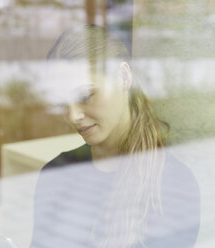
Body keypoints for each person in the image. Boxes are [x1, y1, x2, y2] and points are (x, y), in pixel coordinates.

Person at [30, 25, 200, 248]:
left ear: (123, 77)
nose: (72, 115)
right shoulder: (56, 172)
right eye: (62, 102)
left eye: (85, 95)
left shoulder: (171, 186)